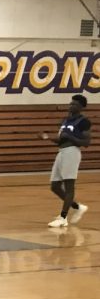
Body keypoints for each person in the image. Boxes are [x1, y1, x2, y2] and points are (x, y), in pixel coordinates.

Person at [42, 95, 91, 228]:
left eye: (74, 104)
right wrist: (47, 137)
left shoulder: (84, 122)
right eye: (70, 103)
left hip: (72, 152)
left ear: (81, 107)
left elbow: (86, 142)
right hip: (62, 152)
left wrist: (70, 137)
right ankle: (77, 207)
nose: (71, 106)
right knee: (55, 186)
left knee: (69, 186)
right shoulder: (65, 120)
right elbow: (60, 139)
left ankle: (63, 217)